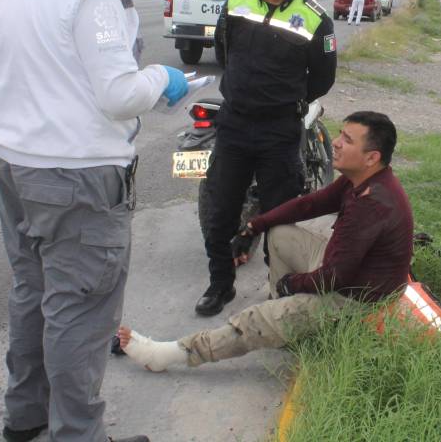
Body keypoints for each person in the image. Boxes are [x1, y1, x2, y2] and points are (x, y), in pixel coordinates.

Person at [0, 0, 175, 442]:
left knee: (33, 295)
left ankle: (26, 416)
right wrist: (164, 79)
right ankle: (77, 435)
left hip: (14, 166)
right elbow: (117, 95)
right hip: (78, 176)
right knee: (81, 313)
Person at [116, 111, 413, 371]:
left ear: (371, 157)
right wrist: (253, 226)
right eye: (339, 135)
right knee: (280, 234)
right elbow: (309, 204)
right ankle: (287, 320)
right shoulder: (362, 179)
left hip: (356, 301)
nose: (335, 142)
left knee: (253, 320)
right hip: (345, 274)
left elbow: (334, 277)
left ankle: (169, 354)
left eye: (348, 140)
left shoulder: (371, 203)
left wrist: (292, 284)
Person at [197, 0, 337, 317]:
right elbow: (223, 49)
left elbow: (322, 79)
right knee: (220, 212)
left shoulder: (315, 19)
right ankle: (220, 285)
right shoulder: (237, 0)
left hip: (278, 132)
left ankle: (279, 291)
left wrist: (285, 101)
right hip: (235, 126)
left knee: (282, 217)